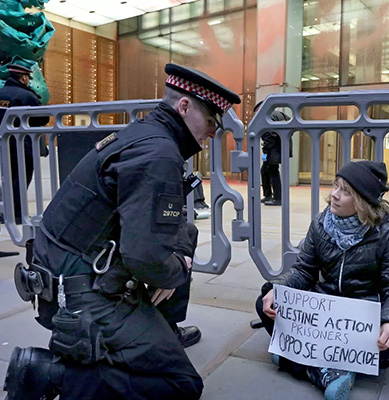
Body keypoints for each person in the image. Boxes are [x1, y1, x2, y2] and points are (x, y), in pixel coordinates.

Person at [4, 63, 240, 400]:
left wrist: (170, 263)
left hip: (63, 273)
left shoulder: (144, 134)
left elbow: (164, 227)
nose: (213, 133)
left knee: (185, 234)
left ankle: (159, 331)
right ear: (185, 106)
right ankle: (52, 374)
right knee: (181, 384)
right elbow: (145, 259)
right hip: (79, 295)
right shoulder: (159, 153)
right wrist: (176, 269)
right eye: (211, 122)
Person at [255, 161, 389, 400]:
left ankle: (299, 360)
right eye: (335, 186)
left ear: (362, 201)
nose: (334, 195)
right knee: (265, 303)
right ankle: (332, 369)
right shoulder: (320, 223)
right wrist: (278, 288)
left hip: (362, 317)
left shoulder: (387, 234)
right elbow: (303, 270)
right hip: (323, 312)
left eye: (346, 191)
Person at [0, 63, 49, 224]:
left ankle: (6, 212)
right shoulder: (27, 96)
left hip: (3, 144)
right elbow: (42, 118)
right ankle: (17, 214)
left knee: (7, 178)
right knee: (21, 179)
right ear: (23, 78)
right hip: (22, 146)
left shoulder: (1, 93)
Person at [255, 101, 291, 206]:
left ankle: (278, 198)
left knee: (273, 172)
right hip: (282, 147)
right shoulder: (280, 114)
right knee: (265, 170)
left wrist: (265, 152)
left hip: (273, 150)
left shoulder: (267, 117)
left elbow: (269, 137)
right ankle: (268, 195)